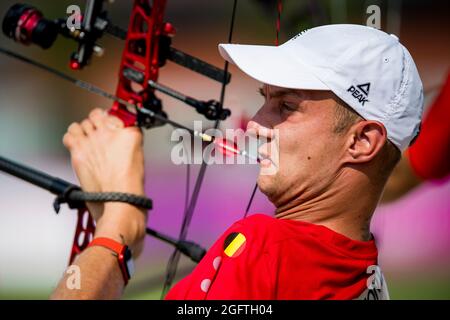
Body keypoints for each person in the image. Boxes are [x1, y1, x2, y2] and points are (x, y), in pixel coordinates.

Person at [51, 24, 423, 300]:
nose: (255, 125)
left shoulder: (264, 250)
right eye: (265, 99)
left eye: (287, 106)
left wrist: (118, 223)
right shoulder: (364, 270)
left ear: (362, 141)